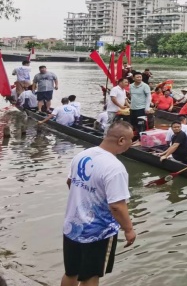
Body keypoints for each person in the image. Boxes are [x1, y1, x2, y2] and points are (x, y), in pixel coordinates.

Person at [61, 121, 136, 286]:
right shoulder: (115, 168)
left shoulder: (82, 155)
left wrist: (83, 200)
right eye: (131, 140)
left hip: (72, 226)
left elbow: (70, 182)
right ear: (122, 140)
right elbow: (116, 205)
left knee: (71, 272)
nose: (132, 144)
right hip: (97, 232)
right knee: (91, 276)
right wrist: (129, 229)